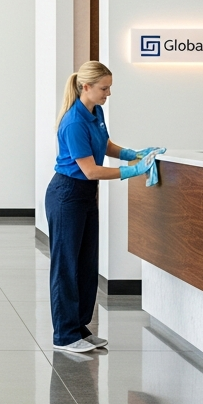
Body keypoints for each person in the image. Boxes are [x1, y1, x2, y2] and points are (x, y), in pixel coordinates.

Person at [46, 60, 163, 354]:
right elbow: (90, 170)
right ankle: (64, 335)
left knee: (87, 265)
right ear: (85, 87)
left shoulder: (95, 112)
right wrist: (133, 172)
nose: (108, 94)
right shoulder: (73, 121)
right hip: (68, 194)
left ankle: (80, 329)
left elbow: (105, 143)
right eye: (104, 88)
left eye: (109, 88)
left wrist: (132, 154)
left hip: (86, 195)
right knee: (66, 266)